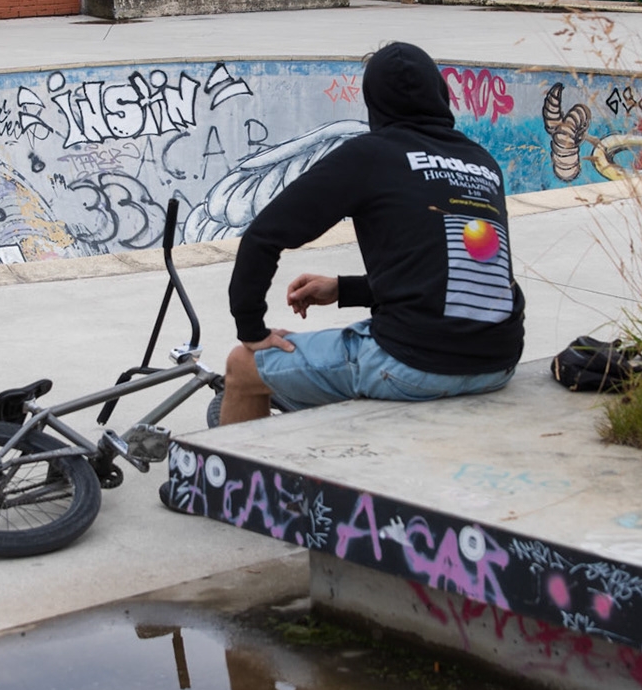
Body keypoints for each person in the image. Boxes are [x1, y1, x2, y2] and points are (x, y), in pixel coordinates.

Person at [212, 41, 525, 429]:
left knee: (242, 367)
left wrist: (252, 330)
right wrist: (345, 289)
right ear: (440, 93)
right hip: (498, 363)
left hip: (411, 364)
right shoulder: (482, 162)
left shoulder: (371, 154)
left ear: (374, 102)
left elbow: (263, 235)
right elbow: (457, 274)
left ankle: (230, 470)